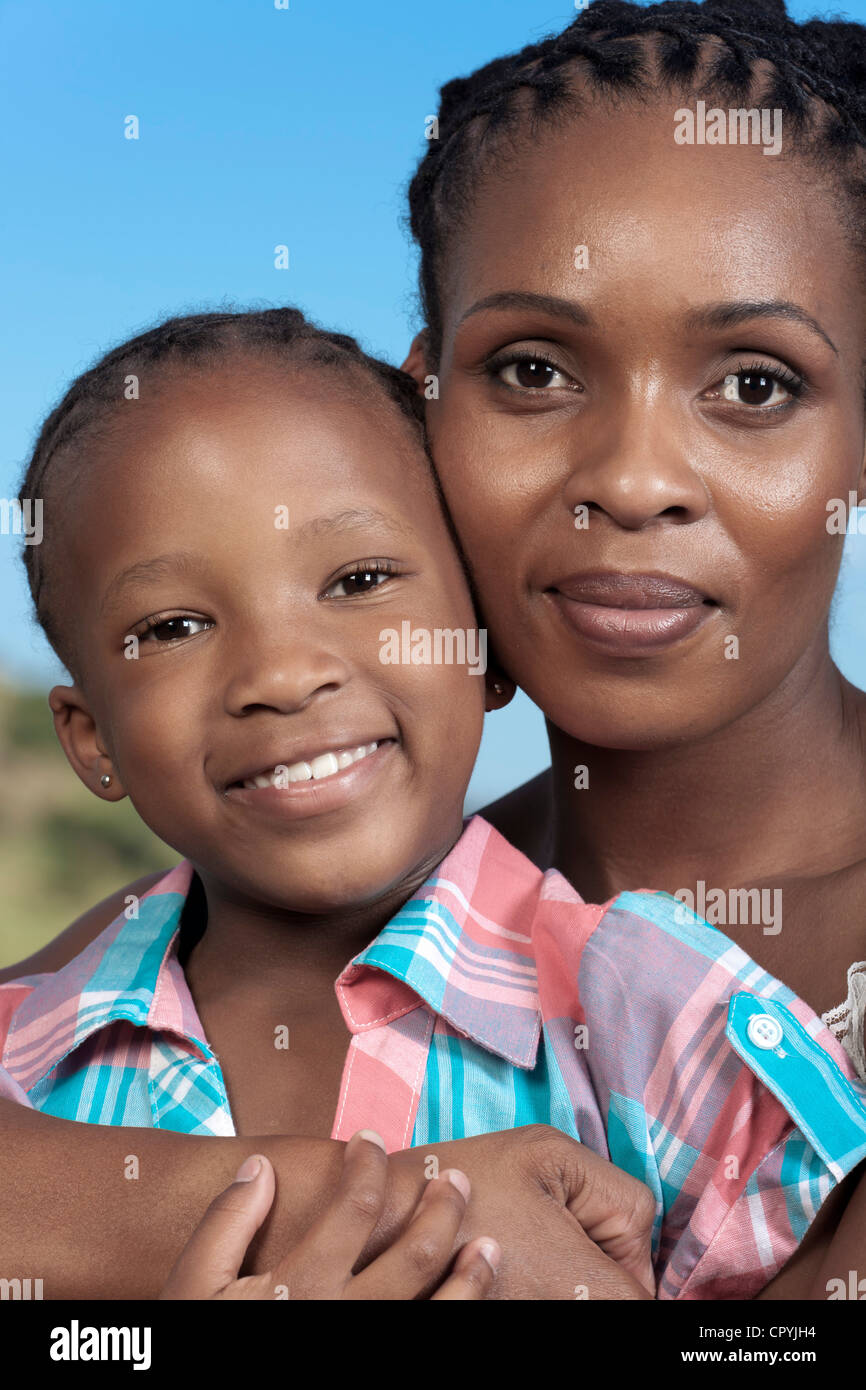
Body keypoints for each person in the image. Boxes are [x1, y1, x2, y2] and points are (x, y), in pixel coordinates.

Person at [6, 0, 866, 1291]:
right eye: (531, 369)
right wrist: (386, 1209)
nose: (631, 481)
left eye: (753, 383)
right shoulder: (322, 883)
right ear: (419, 408)